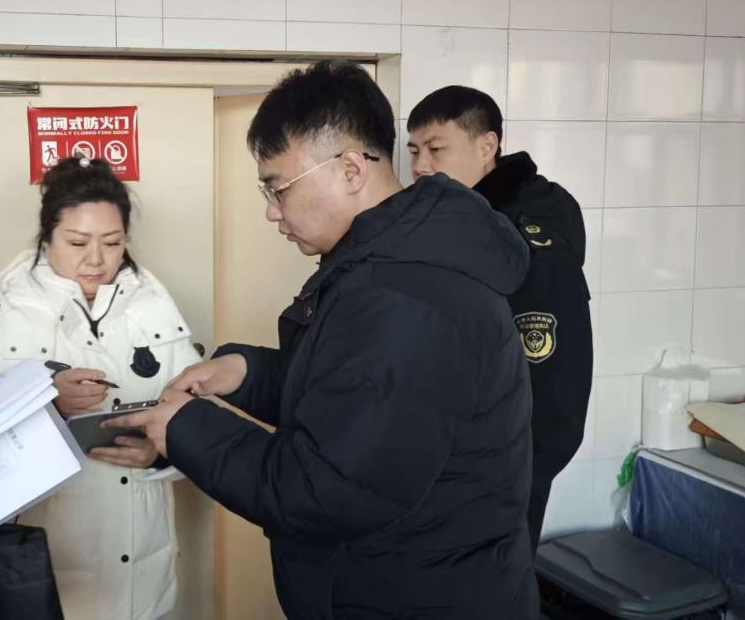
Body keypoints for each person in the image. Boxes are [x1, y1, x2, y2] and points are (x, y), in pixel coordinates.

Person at [109, 61, 539, 619]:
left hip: (420, 600)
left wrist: (185, 428)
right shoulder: (385, 264)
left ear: (351, 169)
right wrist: (247, 373)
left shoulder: (406, 296)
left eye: (278, 188)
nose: (271, 211)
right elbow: (355, 396)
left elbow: (324, 488)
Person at [0, 157, 202, 619]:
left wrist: (160, 453)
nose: (96, 259)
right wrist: (46, 400)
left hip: (144, 565)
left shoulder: (156, 309)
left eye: (112, 243)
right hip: (55, 560)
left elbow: (199, 418)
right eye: (77, 242)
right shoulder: (11, 317)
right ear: (47, 238)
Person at [406, 85, 593, 550]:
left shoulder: (527, 234)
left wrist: (514, 475)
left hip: (500, 477)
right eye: (413, 151)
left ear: (486, 146)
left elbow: (554, 387)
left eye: (435, 149)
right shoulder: (456, 216)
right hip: (451, 459)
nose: (420, 166)